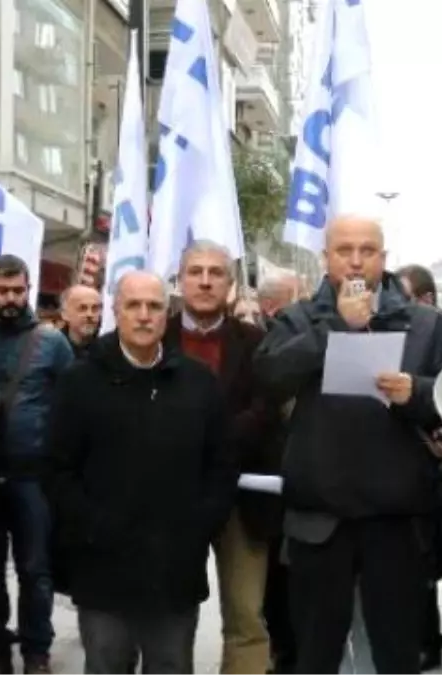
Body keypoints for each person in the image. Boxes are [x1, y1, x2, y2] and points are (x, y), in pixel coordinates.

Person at [253, 214, 442, 675]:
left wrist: (416, 393)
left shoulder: (426, 325)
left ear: (384, 257)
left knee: (397, 657)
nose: (356, 261)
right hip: (319, 522)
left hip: (396, 523)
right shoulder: (298, 318)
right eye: (345, 251)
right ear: (326, 258)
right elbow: (269, 378)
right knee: (315, 657)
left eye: (368, 251)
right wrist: (335, 329)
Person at [45, 271, 235, 674]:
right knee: (107, 664)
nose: (144, 316)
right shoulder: (79, 381)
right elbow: (57, 469)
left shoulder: (199, 383)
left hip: (174, 568)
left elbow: (220, 466)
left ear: (168, 315)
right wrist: (92, 526)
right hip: (103, 566)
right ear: (116, 312)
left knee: (171, 665)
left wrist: (198, 527)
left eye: (154, 306)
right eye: (133, 306)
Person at [164, 241, 282, 675]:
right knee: (170, 614)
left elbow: (267, 408)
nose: (206, 280)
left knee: (247, 614)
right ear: (180, 280)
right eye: (196, 271)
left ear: (231, 285)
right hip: (171, 497)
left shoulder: (257, 342)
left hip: (242, 495)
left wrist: (215, 442)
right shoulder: (156, 336)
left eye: (216, 273)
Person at [0, 254, 75, 675]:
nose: (12, 298)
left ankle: (37, 652)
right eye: (3, 291)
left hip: (34, 476)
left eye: (19, 290)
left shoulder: (51, 343)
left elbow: (72, 405)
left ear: (29, 289)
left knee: (36, 569)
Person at [59, 284, 103, 360]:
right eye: (82, 308)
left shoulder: (107, 352)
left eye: (95, 309)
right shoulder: (52, 350)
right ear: (65, 314)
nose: (90, 314)